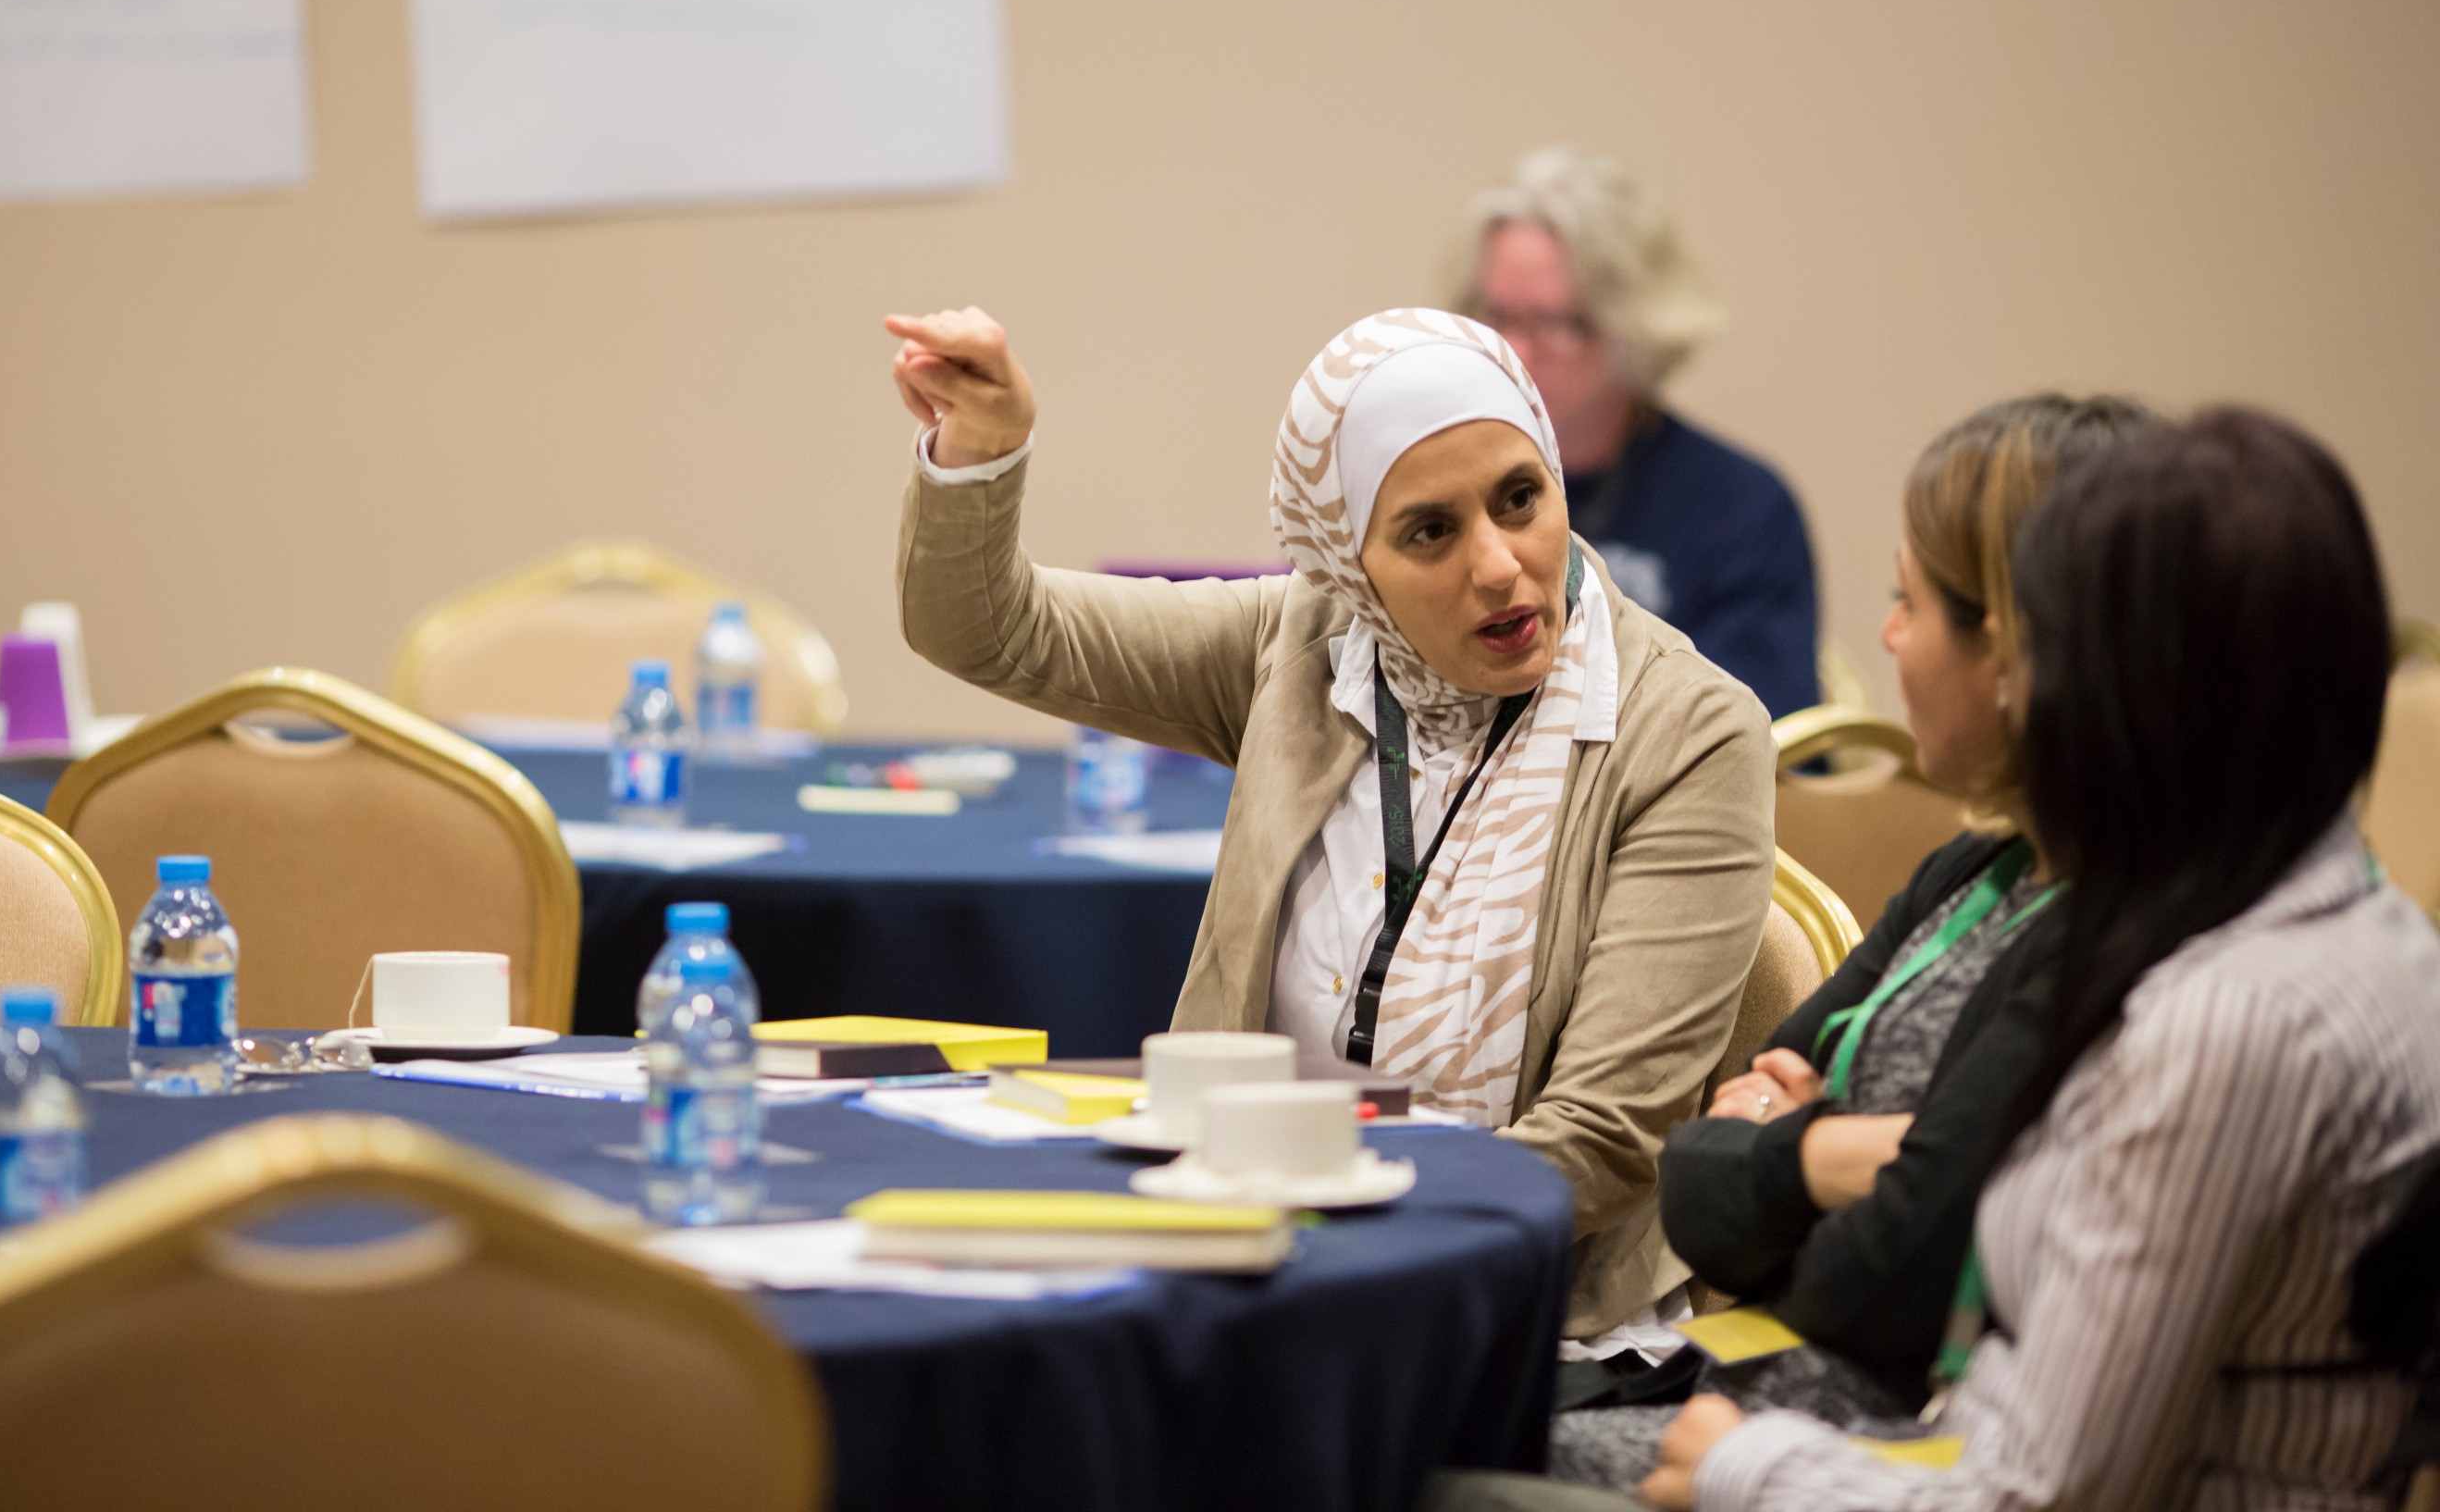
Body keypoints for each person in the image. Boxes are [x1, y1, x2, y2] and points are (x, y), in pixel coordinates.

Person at [1440, 409, 2440, 1510]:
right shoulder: (2364, 927)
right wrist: (1835, 1163)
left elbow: (2031, 1491)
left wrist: (1738, 1465)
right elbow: (1728, 1193)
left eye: (2045, 646)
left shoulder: (2222, 1015)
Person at [888, 304, 1775, 1344]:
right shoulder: (1305, 647)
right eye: (1431, 532)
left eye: (1520, 499)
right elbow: (988, 628)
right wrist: (984, 449)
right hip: (1243, 1260)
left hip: (1513, 1309)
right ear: (1350, 567)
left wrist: (1330, 1231)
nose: (1499, 565)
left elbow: (1601, 1143)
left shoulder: (1690, 733)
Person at [1541, 394, 2158, 1479]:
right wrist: (1836, 1160)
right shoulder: (1975, 873)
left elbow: (1896, 1279)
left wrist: (1791, 1149)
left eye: (1910, 601)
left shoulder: (2116, 936)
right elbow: (1697, 1187)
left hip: (1867, 1460)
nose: (1886, 637)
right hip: (1747, 1391)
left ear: (2013, 649)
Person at [1457, 149, 1818, 720]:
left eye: (1553, 323)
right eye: (1499, 317)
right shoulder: (1446, 486)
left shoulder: (1742, 508)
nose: (1514, 352)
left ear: (1632, 326)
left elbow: (1749, 726)